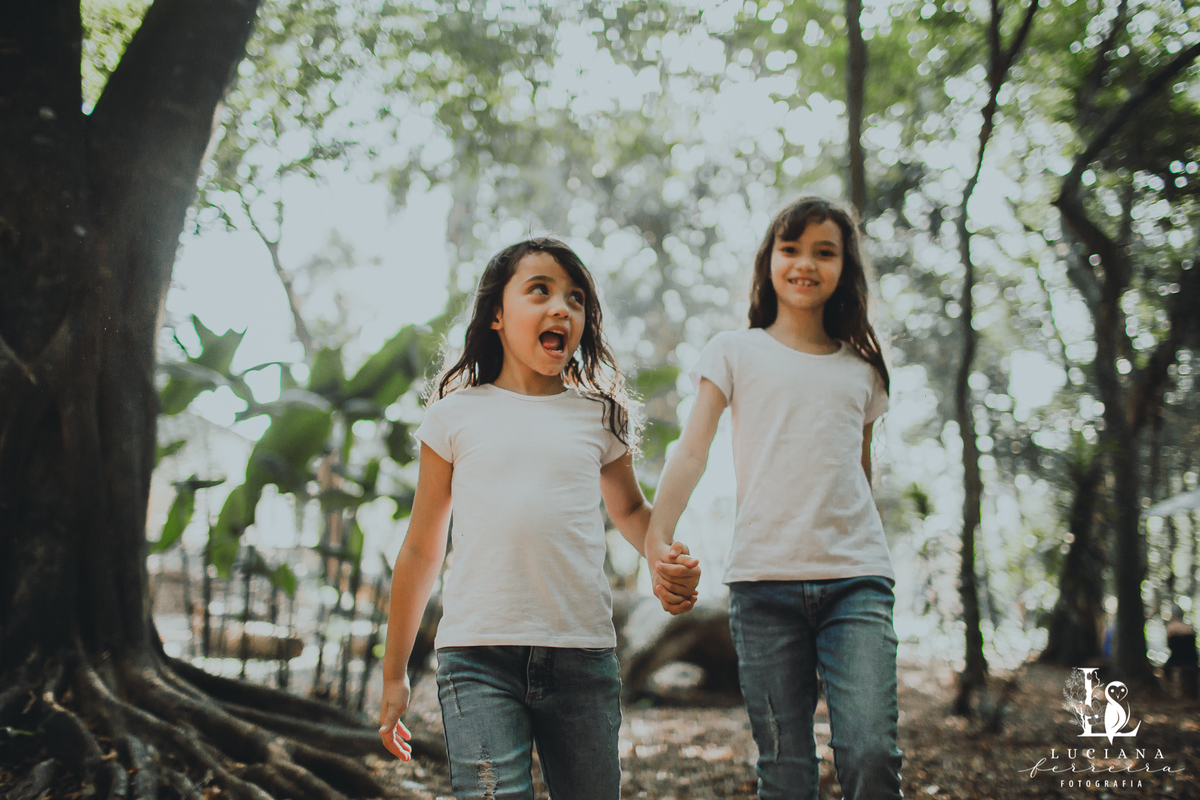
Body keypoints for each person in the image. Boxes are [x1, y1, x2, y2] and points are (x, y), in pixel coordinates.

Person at [377, 237, 701, 799]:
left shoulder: (599, 416)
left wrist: (665, 557)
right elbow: (423, 547)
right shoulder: (454, 416)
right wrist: (393, 671)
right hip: (477, 657)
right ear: (497, 314)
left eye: (576, 299)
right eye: (540, 291)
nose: (562, 308)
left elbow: (629, 509)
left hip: (582, 656)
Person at [645, 197, 902, 800]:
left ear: (845, 267)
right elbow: (691, 451)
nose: (805, 263)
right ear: (769, 261)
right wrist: (657, 537)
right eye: (791, 248)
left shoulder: (862, 370)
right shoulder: (735, 351)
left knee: (869, 753)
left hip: (856, 583)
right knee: (784, 768)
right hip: (764, 588)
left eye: (824, 251)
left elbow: (858, 473)